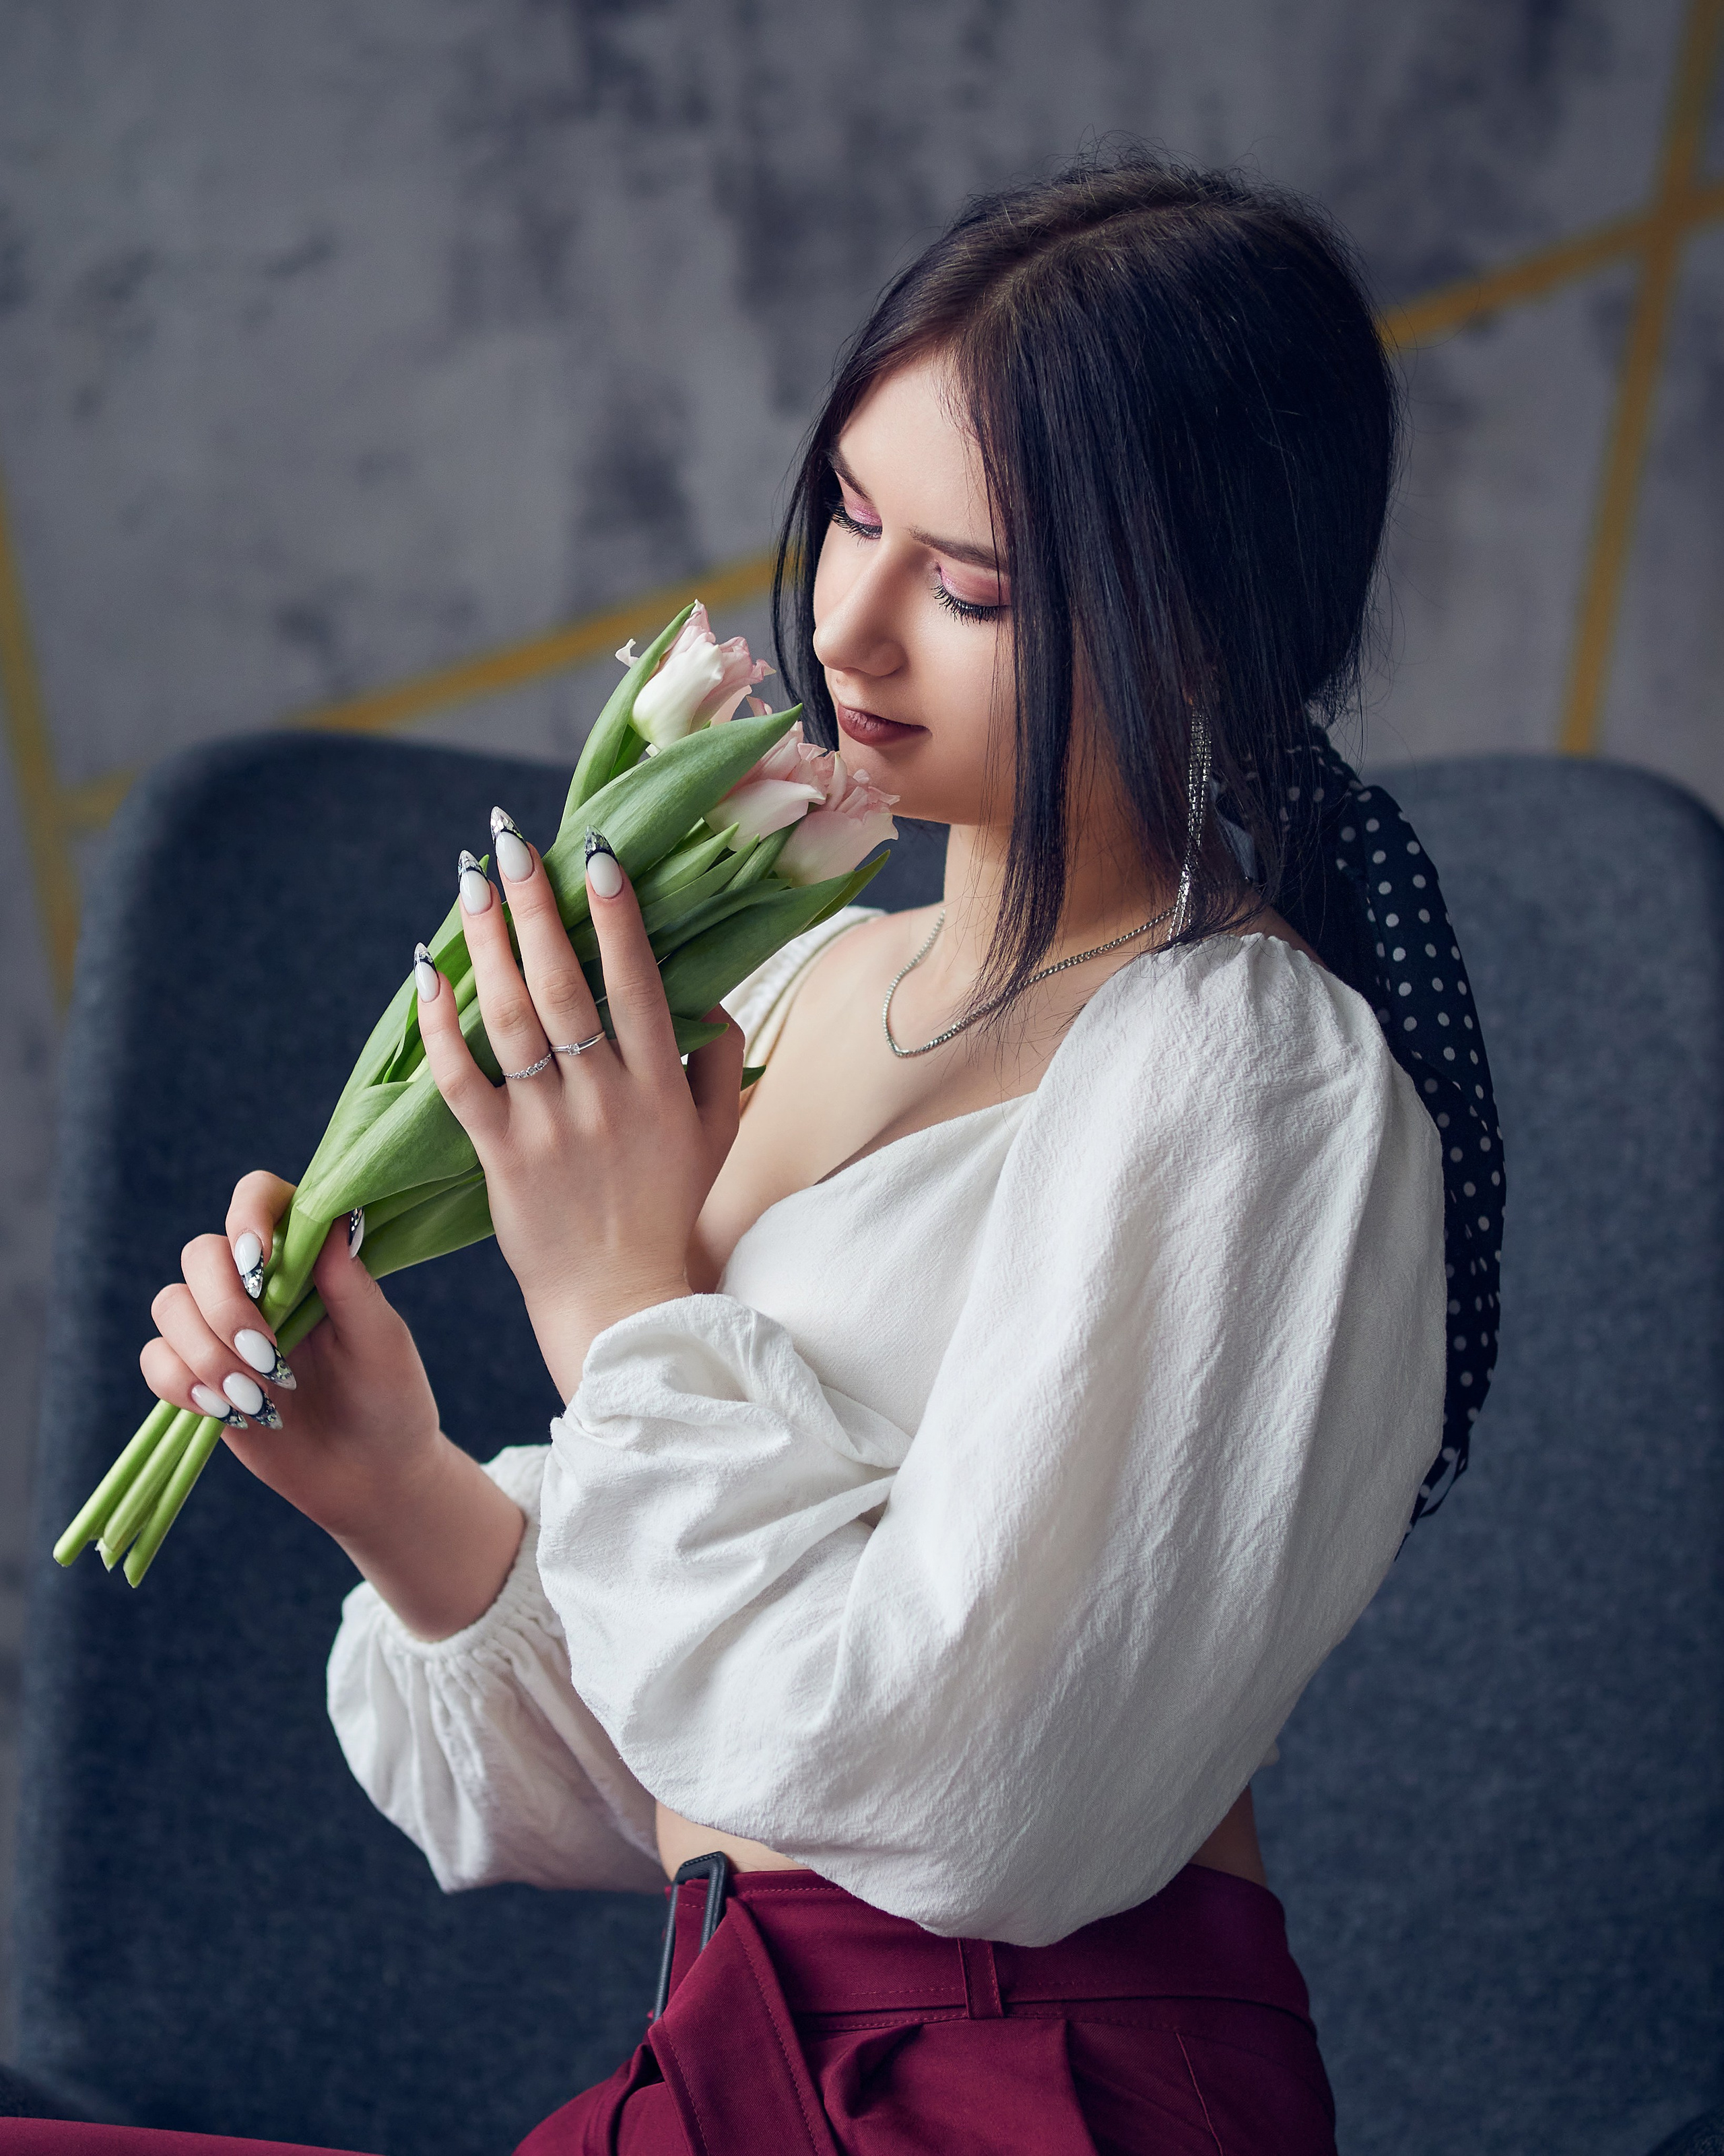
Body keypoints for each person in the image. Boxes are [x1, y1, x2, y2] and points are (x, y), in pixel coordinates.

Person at [32, 152, 1502, 2155]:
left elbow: (971, 1795)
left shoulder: (1250, 1077)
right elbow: (702, 1769)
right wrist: (394, 1488)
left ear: (1210, 630)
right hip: (734, 2064)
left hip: (1028, 2091)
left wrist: (614, 1296)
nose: (854, 627)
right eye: (855, 518)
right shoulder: (810, 980)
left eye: (972, 587)